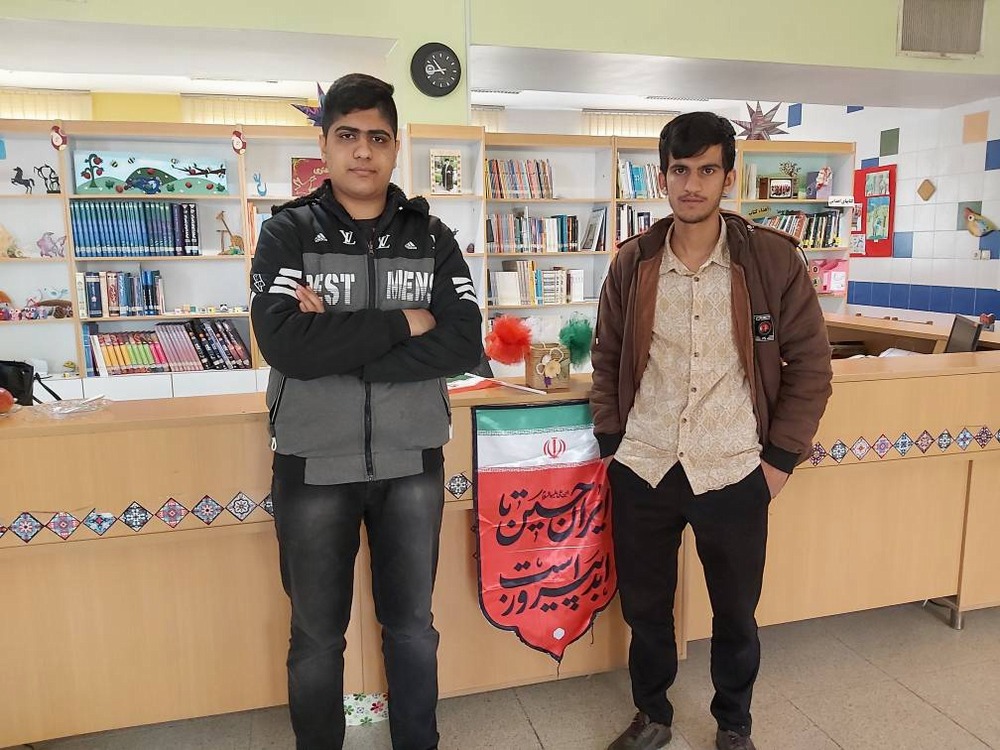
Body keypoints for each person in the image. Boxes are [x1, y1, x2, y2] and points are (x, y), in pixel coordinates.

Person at [250, 73, 483, 750]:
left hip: (411, 461)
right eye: (347, 135)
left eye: (377, 138)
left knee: (412, 628)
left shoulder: (432, 238)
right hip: (313, 465)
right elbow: (284, 344)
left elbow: (463, 342)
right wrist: (405, 321)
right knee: (317, 636)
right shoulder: (287, 234)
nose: (362, 151)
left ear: (395, 147)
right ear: (324, 144)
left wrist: (336, 344)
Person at [593, 112, 833, 750]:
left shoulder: (771, 260)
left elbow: (811, 366)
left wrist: (778, 461)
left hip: (734, 467)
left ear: (729, 177)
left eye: (706, 170)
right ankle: (653, 716)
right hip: (644, 465)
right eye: (679, 170)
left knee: (736, 613)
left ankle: (734, 723)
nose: (691, 184)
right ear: (662, 177)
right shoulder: (634, 262)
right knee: (646, 609)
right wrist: (613, 446)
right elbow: (607, 357)